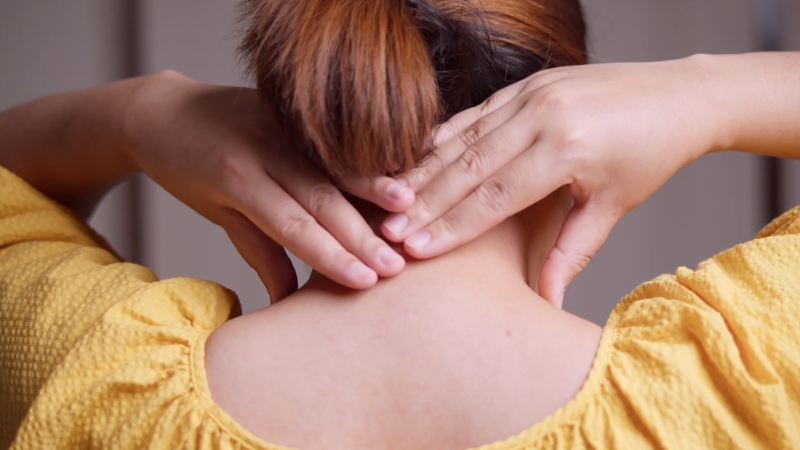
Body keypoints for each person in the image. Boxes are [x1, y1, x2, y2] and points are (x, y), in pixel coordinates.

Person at [0, 0, 798, 448]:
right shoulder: (740, 374)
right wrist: (704, 93)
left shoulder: (101, 375)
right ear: (573, 156)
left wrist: (141, 113)